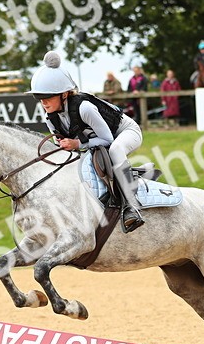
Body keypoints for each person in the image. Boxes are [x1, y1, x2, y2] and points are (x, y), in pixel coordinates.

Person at [32, 51, 145, 233]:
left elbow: (108, 139)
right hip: (97, 141)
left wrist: (77, 144)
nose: (43, 102)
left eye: (48, 96)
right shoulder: (50, 118)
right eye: (39, 97)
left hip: (124, 132)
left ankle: (131, 206)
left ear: (64, 94)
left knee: (115, 150)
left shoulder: (84, 107)